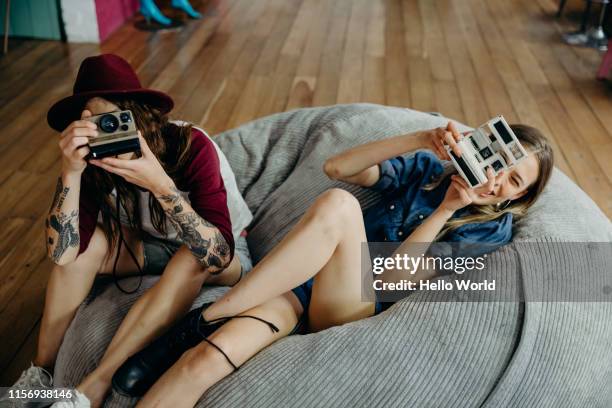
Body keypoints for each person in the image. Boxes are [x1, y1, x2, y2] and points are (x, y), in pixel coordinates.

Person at [112, 120, 554, 407]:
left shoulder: (488, 231)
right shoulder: (427, 170)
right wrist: (422, 139)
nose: (498, 180)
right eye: (502, 163)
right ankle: (197, 334)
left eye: (514, 180)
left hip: (358, 303)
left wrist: (446, 210)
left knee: (342, 207)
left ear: (521, 196)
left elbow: (394, 276)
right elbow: (337, 166)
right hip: (301, 290)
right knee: (200, 363)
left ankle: (198, 321)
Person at [3, 54, 254, 408]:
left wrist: (160, 184)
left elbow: (218, 253)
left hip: (221, 256)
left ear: (135, 114)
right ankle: (40, 374)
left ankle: (94, 385)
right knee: (81, 253)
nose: (98, 132)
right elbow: (62, 254)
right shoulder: (92, 163)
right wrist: (70, 173)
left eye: (106, 120)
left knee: (192, 258)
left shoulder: (190, 145)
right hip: (146, 245)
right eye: (85, 123)